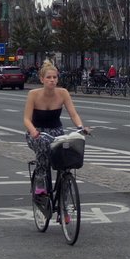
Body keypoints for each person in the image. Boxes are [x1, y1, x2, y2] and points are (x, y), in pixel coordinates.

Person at [23, 61, 87, 195]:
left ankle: (64, 194)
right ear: (42, 79)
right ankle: (40, 179)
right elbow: (26, 119)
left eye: (54, 77)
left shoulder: (63, 93)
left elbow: (73, 114)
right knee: (42, 146)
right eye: (48, 77)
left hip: (56, 131)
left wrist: (80, 127)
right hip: (38, 132)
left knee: (66, 153)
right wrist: (34, 131)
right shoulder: (33, 94)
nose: (52, 80)